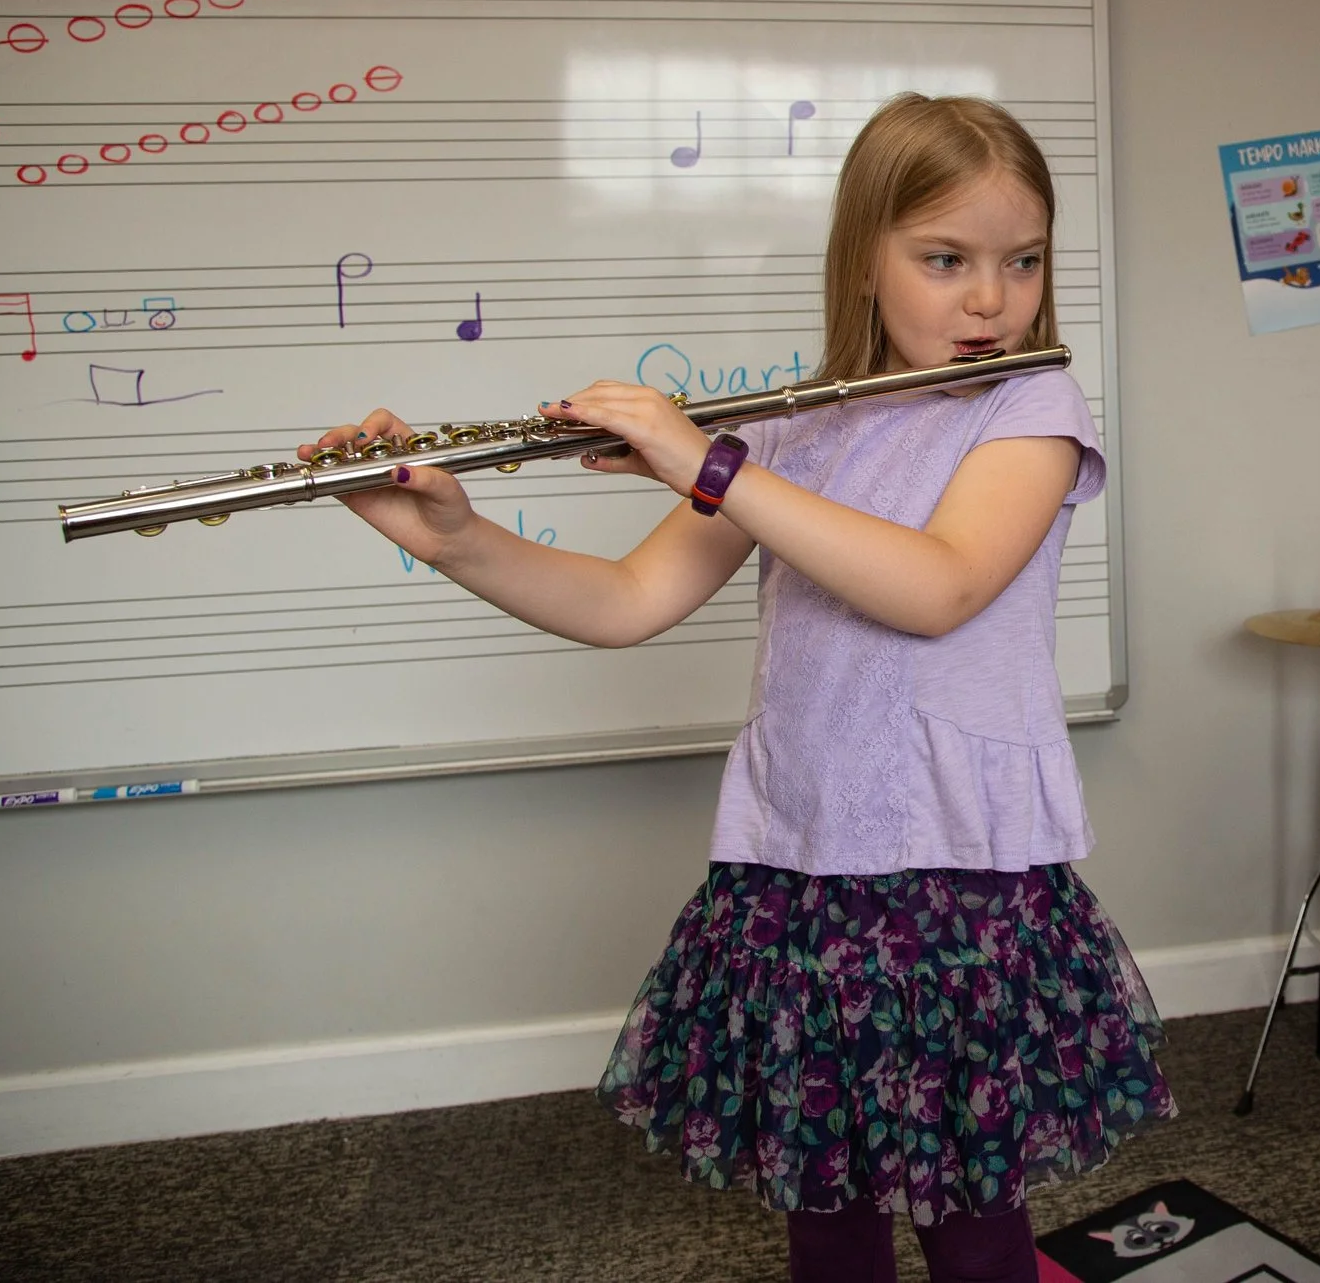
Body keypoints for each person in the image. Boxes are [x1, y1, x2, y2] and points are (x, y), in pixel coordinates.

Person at [303, 94, 1172, 1283]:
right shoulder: (796, 435)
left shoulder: (1031, 410)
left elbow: (939, 586)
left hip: (957, 874)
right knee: (825, 1205)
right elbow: (625, 602)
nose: (989, 298)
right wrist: (453, 535)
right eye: (945, 259)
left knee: (971, 1220)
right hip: (798, 866)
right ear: (863, 260)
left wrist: (706, 459)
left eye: (1021, 262)